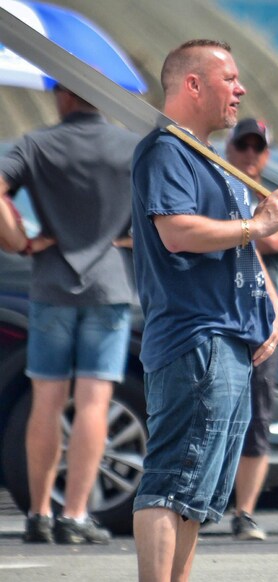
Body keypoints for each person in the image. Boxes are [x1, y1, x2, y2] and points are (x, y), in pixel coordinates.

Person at [122, 39, 278, 582]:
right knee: (173, 476)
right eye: (228, 77)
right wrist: (259, 225)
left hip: (227, 335)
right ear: (191, 85)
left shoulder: (206, 156)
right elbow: (178, 232)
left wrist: (267, 300)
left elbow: (237, 246)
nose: (240, 89)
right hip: (196, 336)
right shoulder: (166, 150)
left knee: (199, 485)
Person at [0, 84, 139, 546]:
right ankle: (75, 513)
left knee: (46, 401)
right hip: (110, 283)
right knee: (95, 401)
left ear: (63, 95)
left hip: (51, 282)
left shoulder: (36, 144)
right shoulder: (130, 147)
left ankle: (39, 513)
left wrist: (19, 241)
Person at [225, 117, 278, 542]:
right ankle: (210, 504)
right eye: (243, 146)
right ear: (231, 147)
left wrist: (254, 210)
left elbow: (274, 240)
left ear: (266, 154)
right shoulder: (218, 183)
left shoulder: (274, 198)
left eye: (257, 148)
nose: (249, 155)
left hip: (261, 322)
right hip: (222, 313)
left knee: (258, 416)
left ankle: (245, 512)